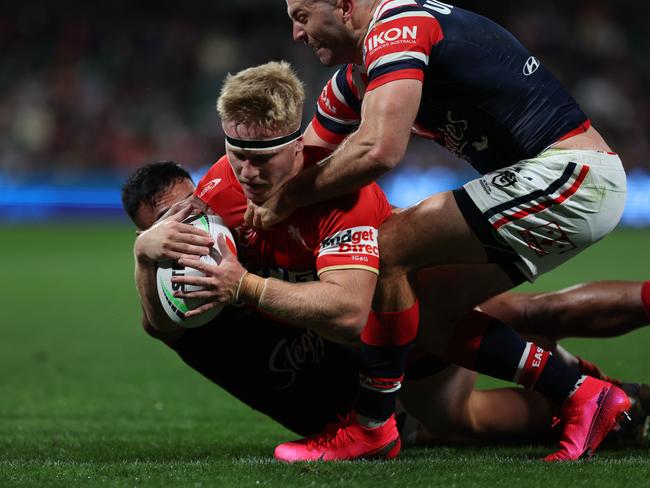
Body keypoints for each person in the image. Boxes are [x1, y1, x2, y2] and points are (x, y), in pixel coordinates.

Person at [244, 0, 630, 462]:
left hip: (574, 176)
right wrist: (214, 206)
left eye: (302, 16)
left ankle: (372, 427)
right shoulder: (355, 79)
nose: (295, 34)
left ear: (345, 7)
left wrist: (288, 201)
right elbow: (299, 161)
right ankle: (584, 392)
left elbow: (378, 150)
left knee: (384, 249)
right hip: (550, 182)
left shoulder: (398, 28)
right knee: (424, 310)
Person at [123, 160, 650, 450]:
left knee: (535, 314)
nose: (195, 230)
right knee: (467, 415)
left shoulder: (246, 222)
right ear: (150, 236)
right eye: (170, 226)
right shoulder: (181, 297)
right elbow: (157, 325)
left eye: (194, 210)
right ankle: (620, 396)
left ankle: (592, 388)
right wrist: (146, 260)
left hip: (392, 337)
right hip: (374, 392)